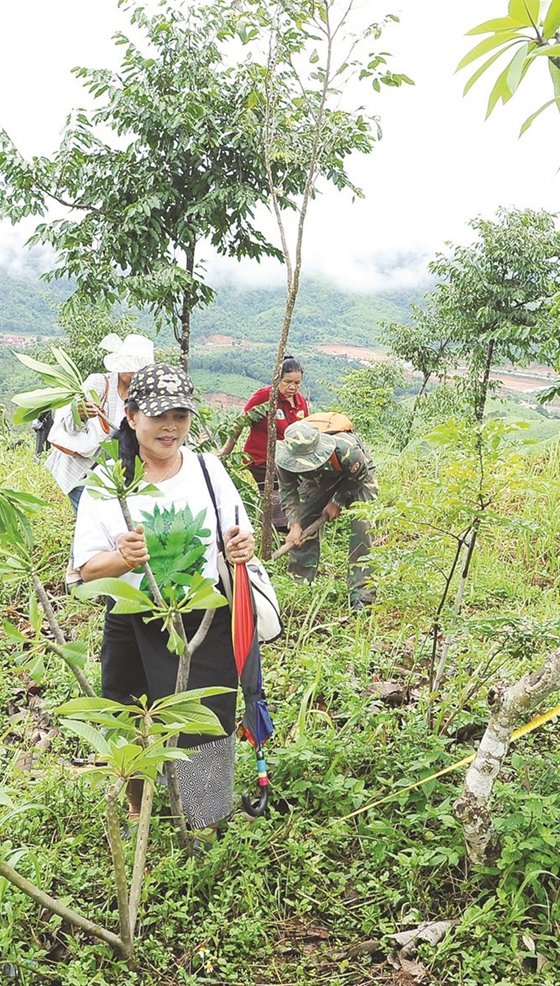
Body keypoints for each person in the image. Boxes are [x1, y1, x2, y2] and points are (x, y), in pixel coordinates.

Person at [73, 363, 257, 834]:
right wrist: (122, 557)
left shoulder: (207, 469)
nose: (171, 426)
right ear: (131, 416)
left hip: (203, 619)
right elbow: (85, 570)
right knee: (130, 716)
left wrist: (241, 546)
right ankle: (139, 810)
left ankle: (204, 819)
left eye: (181, 414)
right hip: (133, 618)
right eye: (159, 415)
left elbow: (238, 536)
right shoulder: (109, 480)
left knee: (207, 721)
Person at [275, 418, 378, 611]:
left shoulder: (346, 449)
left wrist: (338, 501)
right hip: (317, 481)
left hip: (357, 479)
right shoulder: (283, 458)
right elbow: (288, 492)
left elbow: (359, 477)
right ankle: (298, 587)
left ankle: (362, 596)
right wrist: (295, 524)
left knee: (362, 527)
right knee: (304, 526)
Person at [45, 333, 155, 510]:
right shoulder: (98, 383)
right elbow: (69, 426)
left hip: (115, 471)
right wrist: (80, 414)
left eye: (141, 369)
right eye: (131, 367)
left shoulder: (143, 395)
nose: (135, 373)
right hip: (82, 467)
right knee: (89, 519)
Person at [219, 355, 309, 532]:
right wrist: (226, 450)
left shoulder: (300, 401)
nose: (292, 387)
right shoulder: (265, 396)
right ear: (278, 379)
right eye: (287, 381)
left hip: (287, 459)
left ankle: (279, 529)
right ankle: (271, 531)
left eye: (297, 383)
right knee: (277, 490)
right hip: (261, 458)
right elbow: (241, 421)